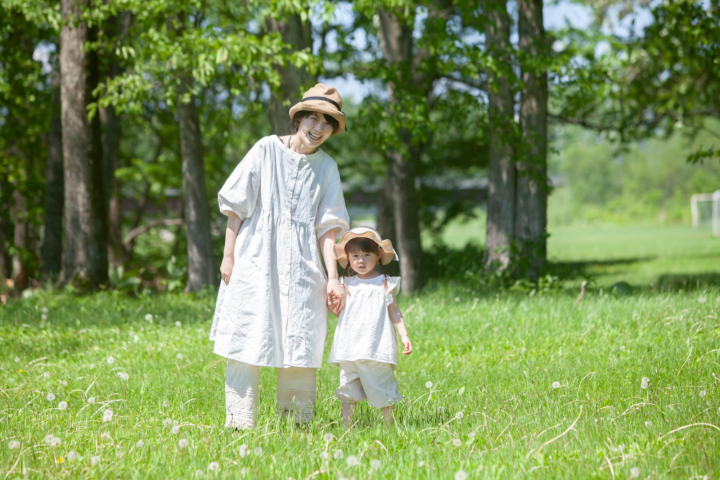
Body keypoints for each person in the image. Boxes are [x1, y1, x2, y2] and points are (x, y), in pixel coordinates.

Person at [209, 84, 350, 429]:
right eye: (313, 119)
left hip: (304, 262)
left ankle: (295, 425)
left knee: (301, 335)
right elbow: (237, 207)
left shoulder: (327, 167)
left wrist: (333, 277)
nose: (318, 128)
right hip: (256, 255)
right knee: (248, 331)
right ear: (298, 119)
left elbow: (327, 227)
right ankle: (239, 423)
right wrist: (229, 256)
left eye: (327, 123)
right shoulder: (265, 149)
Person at [327, 227, 413, 427]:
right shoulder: (345, 283)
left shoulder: (385, 283)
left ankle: (388, 426)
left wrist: (404, 335)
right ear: (347, 257)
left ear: (378, 254)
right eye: (355, 255)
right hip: (349, 347)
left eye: (367, 255)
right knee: (347, 387)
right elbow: (339, 312)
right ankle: (346, 427)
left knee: (382, 385)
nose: (361, 260)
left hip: (375, 345)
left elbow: (394, 311)